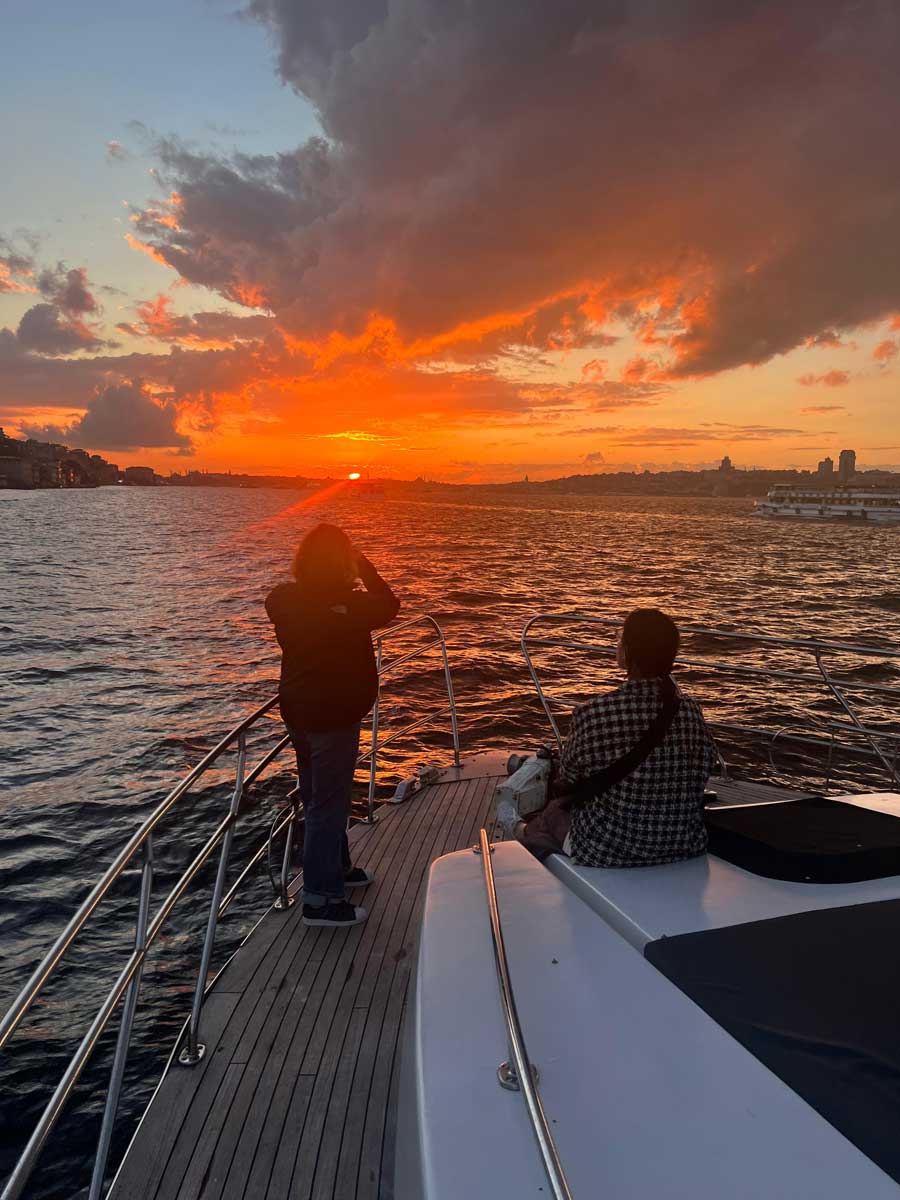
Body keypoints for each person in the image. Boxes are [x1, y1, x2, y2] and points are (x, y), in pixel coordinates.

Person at [265, 524, 400, 927]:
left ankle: (336, 868)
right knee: (328, 803)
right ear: (342, 562)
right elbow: (390, 605)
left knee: (319, 796)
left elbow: (288, 604)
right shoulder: (350, 603)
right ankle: (320, 899)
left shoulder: (285, 599)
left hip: (300, 713)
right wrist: (363, 566)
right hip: (332, 716)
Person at [520, 608, 718, 867]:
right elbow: (705, 764)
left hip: (609, 849)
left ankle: (518, 831)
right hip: (683, 844)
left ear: (628, 654)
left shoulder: (593, 714)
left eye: (620, 639)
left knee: (552, 814)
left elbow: (567, 779)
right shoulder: (691, 710)